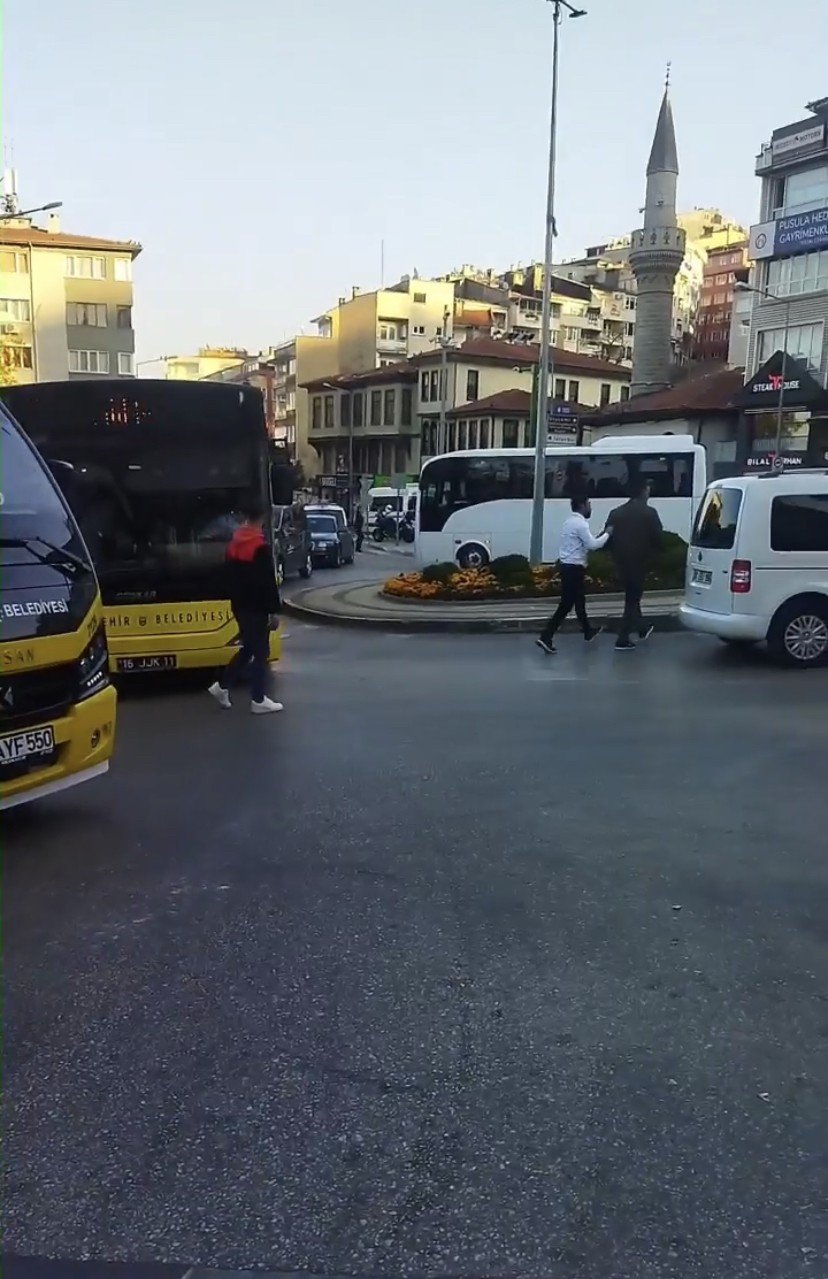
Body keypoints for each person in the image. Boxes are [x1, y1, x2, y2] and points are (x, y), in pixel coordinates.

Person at [208, 503, 283, 713]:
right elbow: (266, 583)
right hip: (257, 607)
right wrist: (273, 611)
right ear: (262, 518)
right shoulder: (259, 547)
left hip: (240, 606)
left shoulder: (235, 543)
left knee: (249, 647)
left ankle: (222, 686)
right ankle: (258, 699)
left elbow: (227, 577)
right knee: (260, 652)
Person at [536, 496, 609, 654]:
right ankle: (546, 636)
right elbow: (593, 545)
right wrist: (607, 534)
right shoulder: (580, 524)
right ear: (582, 505)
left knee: (579, 601)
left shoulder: (568, 522)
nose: (590, 507)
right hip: (574, 569)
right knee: (566, 605)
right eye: (589, 504)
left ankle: (588, 631)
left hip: (568, 567)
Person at [605, 478, 664, 651]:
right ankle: (622, 638)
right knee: (632, 599)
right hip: (640, 562)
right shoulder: (650, 513)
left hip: (621, 562)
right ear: (643, 492)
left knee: (632, 596)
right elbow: (658, 539)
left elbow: (607, 538)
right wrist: (656, 557)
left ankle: (642, 629)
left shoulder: (615, 513)